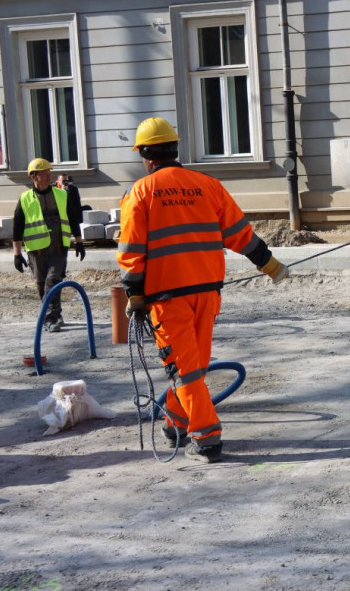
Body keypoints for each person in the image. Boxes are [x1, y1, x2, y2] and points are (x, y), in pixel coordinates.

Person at [117, 117, 289, 463]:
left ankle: (207, 438)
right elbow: (241, 234)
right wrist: (269, 264)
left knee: (186, 371)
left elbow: (131, 251)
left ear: (146, 157)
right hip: (207, 294)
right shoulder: (207, 185)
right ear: (175, 149)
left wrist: (133, 294)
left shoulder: (140, 192)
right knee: (193, 365)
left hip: (167, 298)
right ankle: (176, 422)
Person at [13, 158, 86, 332]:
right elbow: (17, 227)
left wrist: (79, 242)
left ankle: (52, 316)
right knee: (41, 282)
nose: (48, 176)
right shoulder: (25, 199)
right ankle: (52, 316)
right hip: (37, 250)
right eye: (44, 174)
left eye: (49, 173)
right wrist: (17, 254)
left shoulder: (62, 195)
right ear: (33, 177)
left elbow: (73, 219)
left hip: (59, 246)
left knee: (53, 279)